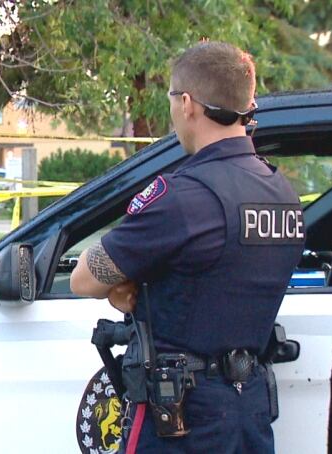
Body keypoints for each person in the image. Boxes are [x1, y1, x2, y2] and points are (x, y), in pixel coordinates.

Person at [70, 41, 305, 453]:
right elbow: (219, 278)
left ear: (187, 104)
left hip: (184, 417)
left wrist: (134, 291)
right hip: (249, 410)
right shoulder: (280, 193)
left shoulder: (184, 197)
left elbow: (84, 279)